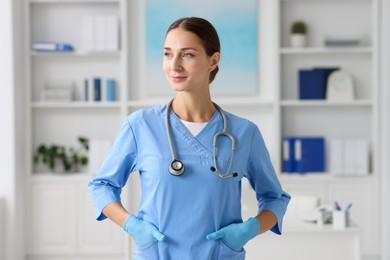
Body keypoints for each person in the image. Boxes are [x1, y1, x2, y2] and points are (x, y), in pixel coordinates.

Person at [88, 17, 290, 260]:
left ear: (213, 61)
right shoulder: (140, 126)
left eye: (187, 55)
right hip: (157, 254)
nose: (174, 65)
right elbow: (102, 186)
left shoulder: (244, 133)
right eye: (167, 54)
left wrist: (250, 229)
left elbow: (275, 198)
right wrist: (133, 226)